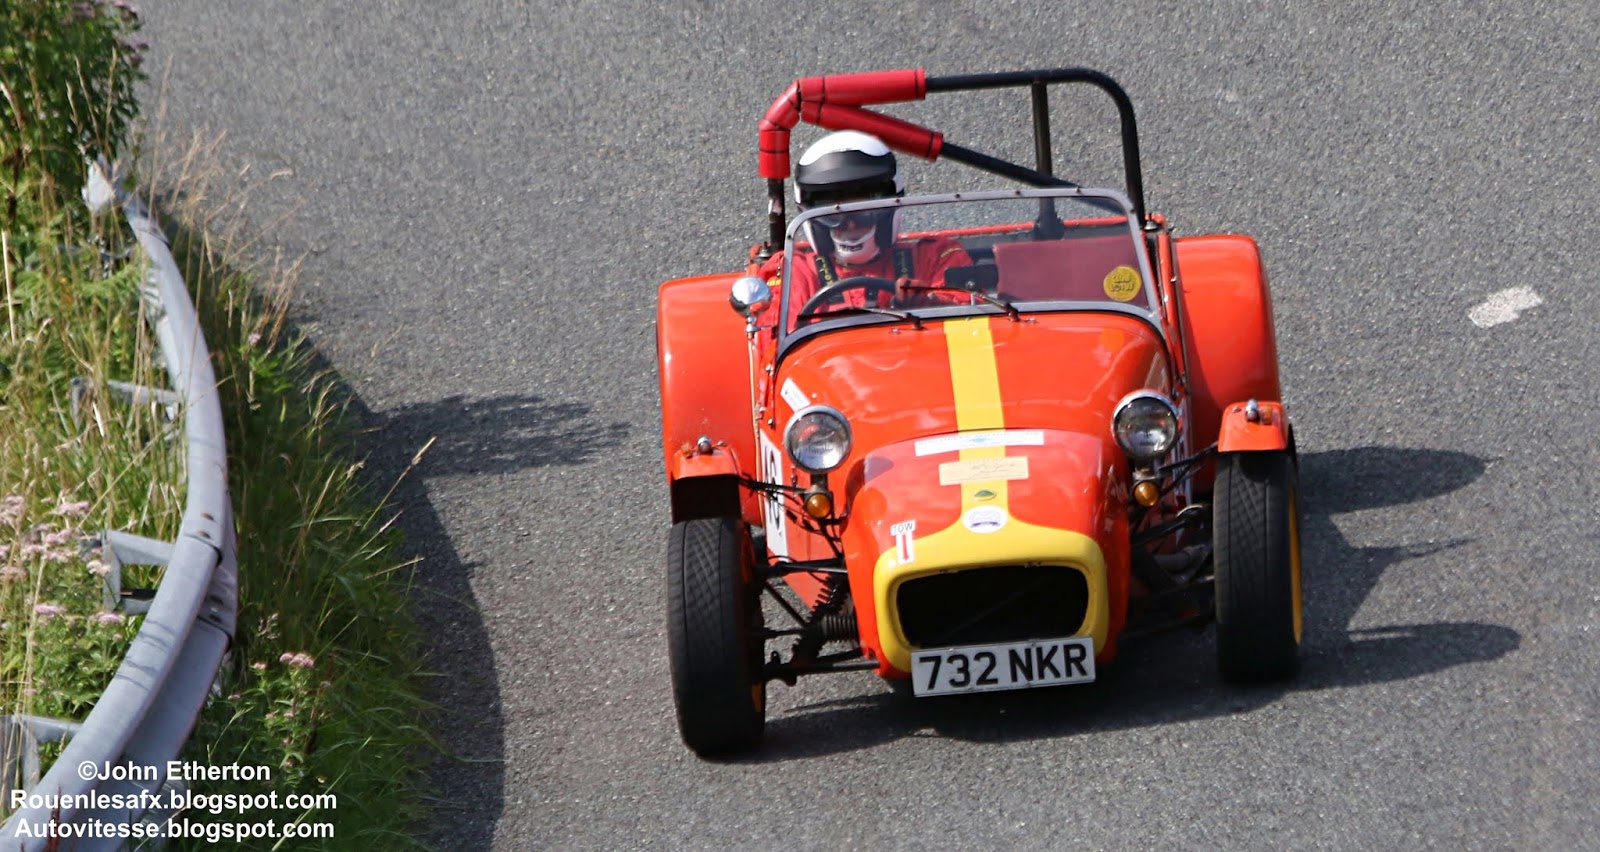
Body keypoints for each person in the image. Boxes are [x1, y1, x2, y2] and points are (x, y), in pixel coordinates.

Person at [757, 131, 972, 325]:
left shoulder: (935, 256)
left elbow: (973, 318)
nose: (850, 225)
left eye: (864, 211)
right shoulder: (796, 270)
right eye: (834, 214)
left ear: (889, 207)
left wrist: (930, 303)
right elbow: (773, 340)